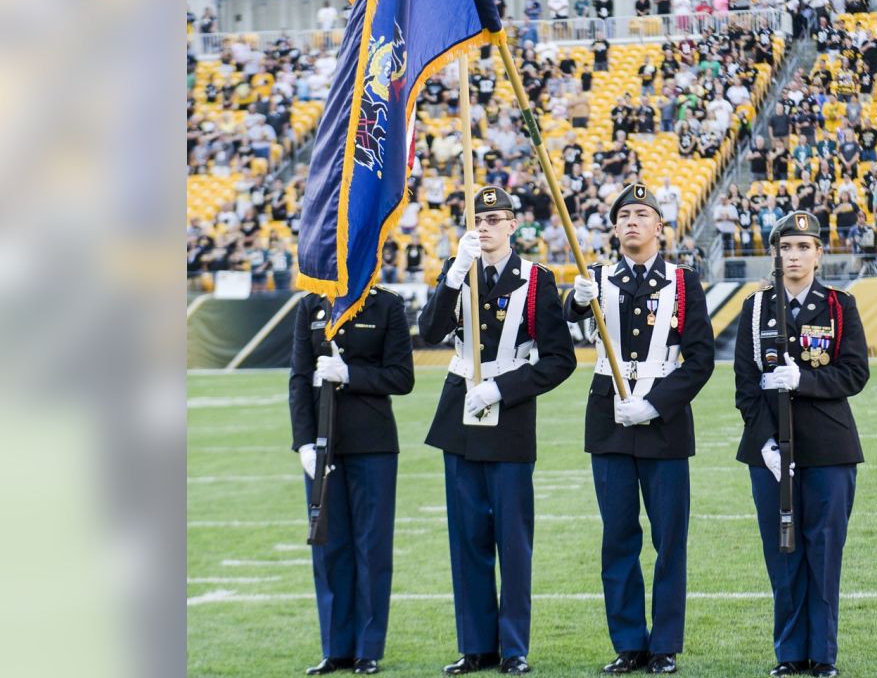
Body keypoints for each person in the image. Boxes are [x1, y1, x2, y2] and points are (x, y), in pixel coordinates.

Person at [418, 186, 577, 676]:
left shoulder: (536, 280)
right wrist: (452, 276)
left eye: (495, 219)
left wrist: (505, 388)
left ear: (513, 225)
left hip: (507, 416)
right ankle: (475, 646)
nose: (484, 227)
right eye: (478, 220)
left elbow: (559, 360)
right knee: (466, 540)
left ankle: (513, 648)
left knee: (512, 538)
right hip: (460, 413)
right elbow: (427, 332)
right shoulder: (458, 268)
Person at [565, 184, 716, 675]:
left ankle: (665, 645)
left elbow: (700, 361)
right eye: (624, 215)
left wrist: (654, 405)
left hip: (664, 424)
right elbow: (556, 324)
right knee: (619, 537)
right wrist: (574, 301)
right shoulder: (596, 278)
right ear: (613, 228)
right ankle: (629, 643)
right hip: (609, 422)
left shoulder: (684, 282)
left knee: (669, 539)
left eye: (642, 214)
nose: (632, 221)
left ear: (659, 227)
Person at [732, 210, 870, 678]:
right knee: (782, 553)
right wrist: (765, 442)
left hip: (829, 448)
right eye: (786, 247)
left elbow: (855, 373)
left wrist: (805, 380)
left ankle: (823, 655)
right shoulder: (756, 309)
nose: (794, 255)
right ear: (776, 254)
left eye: (803, 247)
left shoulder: (839, 306)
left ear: (818, 254)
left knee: (824, 551)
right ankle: (789, 653)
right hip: (770, 453)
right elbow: (745, 387)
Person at [289, 285, 416, 676]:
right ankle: (335, 648)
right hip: (323, 443)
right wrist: (304, 444)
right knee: (328, 547)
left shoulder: (387, 304)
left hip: (372, 442)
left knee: (371, 547)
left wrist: (350, 375)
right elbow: (298, 378)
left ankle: (367, 649)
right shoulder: (311, 304)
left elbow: (401, 377)